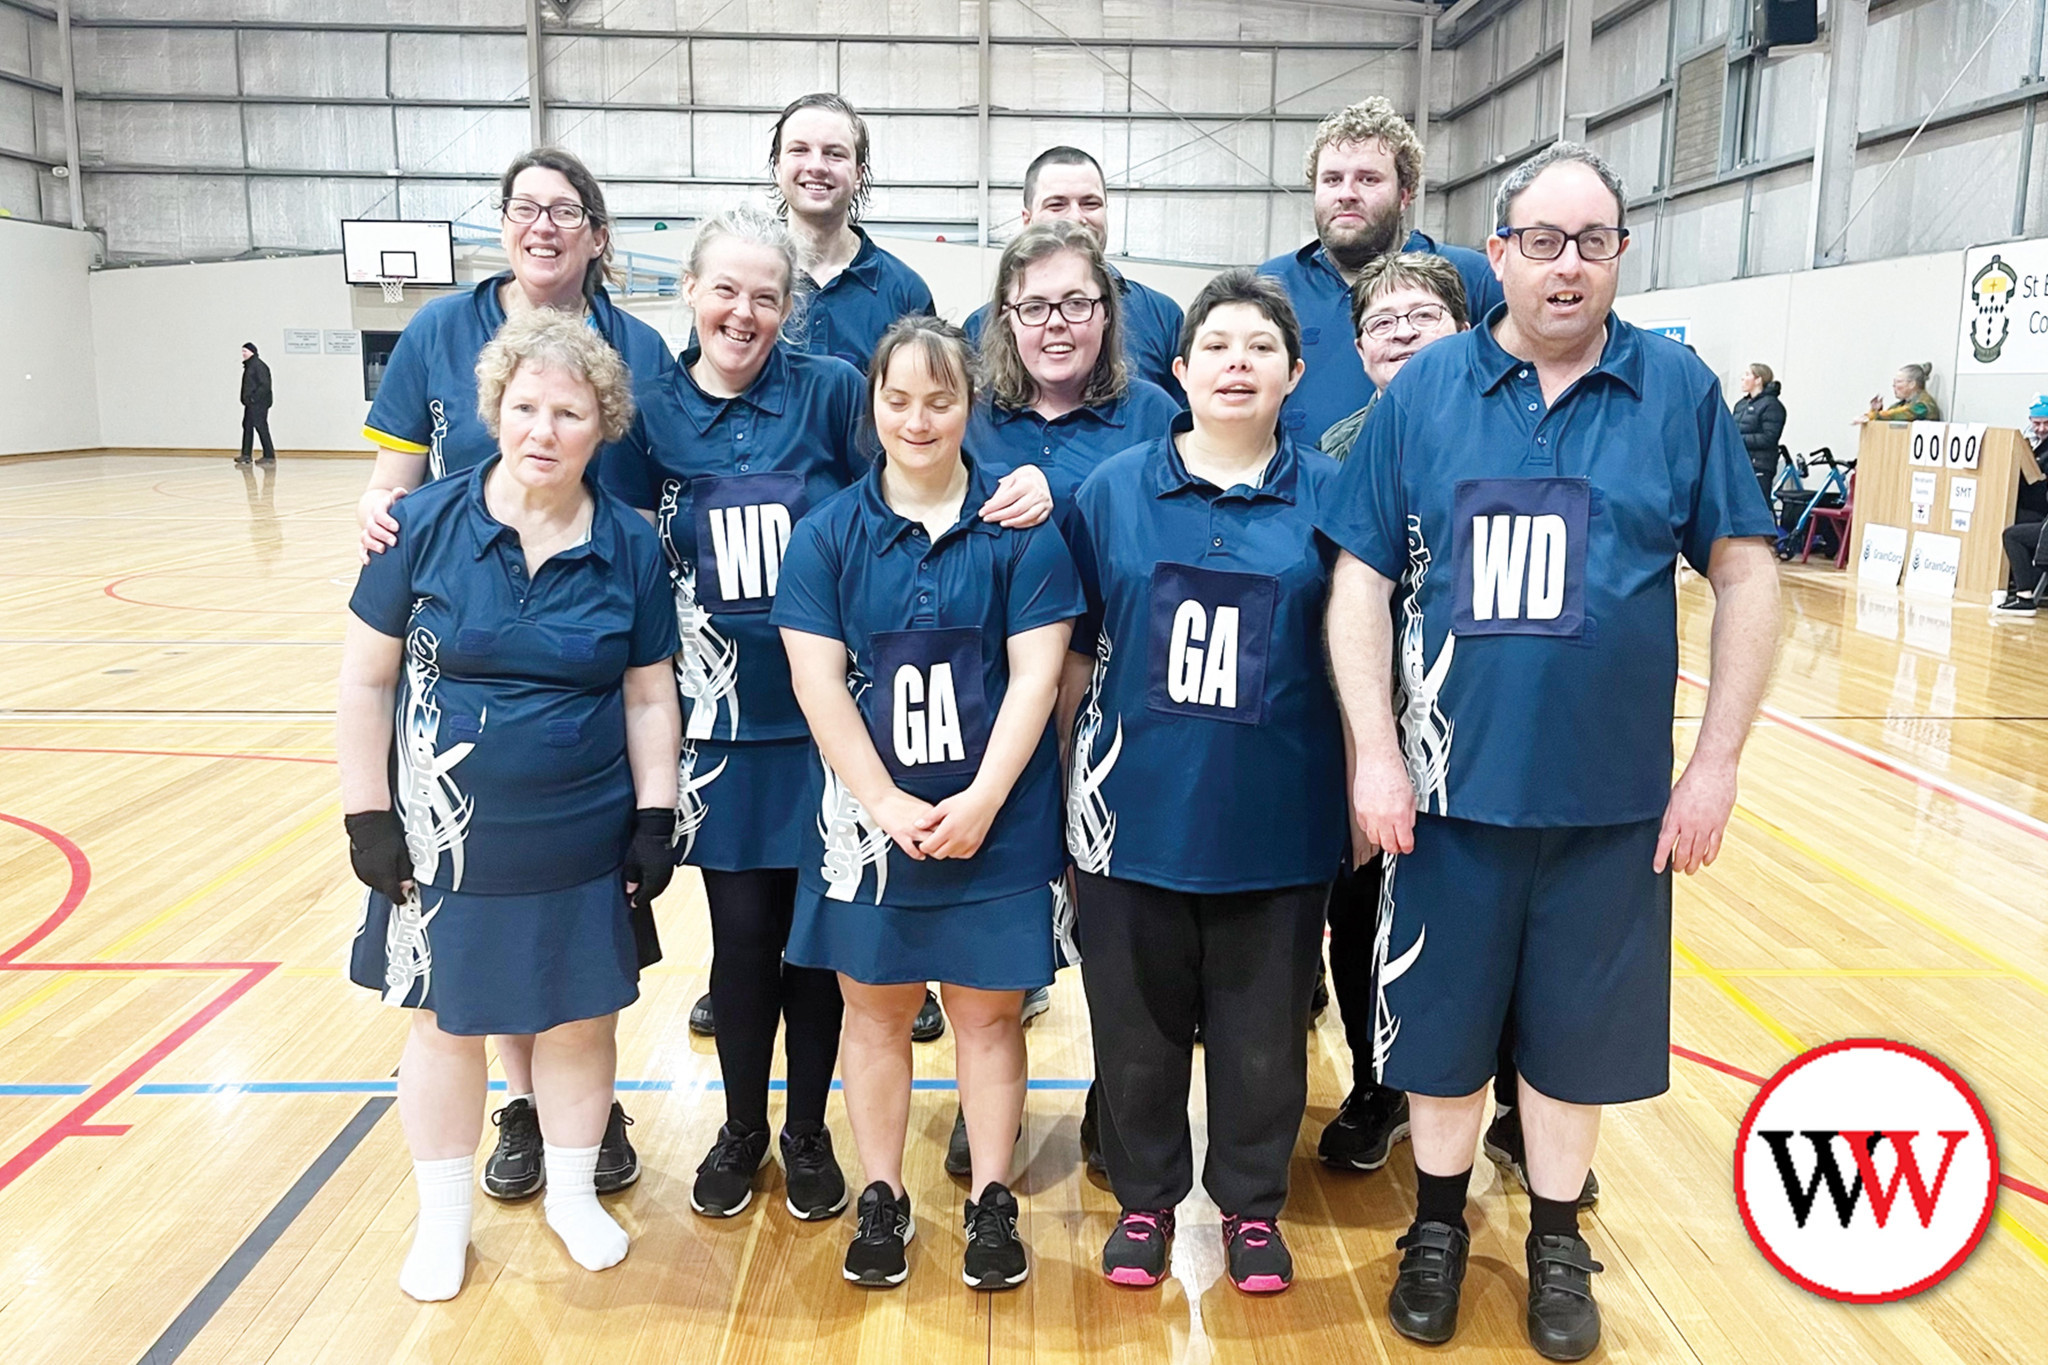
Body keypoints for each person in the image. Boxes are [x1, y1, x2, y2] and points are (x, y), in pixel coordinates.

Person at [1321, 144, 1779, 1361]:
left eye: (1592, 242)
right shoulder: (1422, 394)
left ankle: (1557, 1240)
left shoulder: (1676, 392)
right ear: (1497, 252)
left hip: (1609, 802)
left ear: (1620, 252)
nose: (1565, 266)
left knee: (1572, 1044)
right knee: (1439, 1035)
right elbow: (1358, 580)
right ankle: (1434, 1227)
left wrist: (1715, 764)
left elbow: (1744, 571)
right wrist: (1373, 751)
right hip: (1444, 796)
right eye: (1541, 241)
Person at [337, 309, 682, 1301]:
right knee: (446, 1025)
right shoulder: (420, 525)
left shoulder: (628, 546)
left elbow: (648, 692)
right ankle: (442, 1223)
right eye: (524, 406)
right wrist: (367, 815)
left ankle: (574, 1196)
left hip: (582, 837)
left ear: (601, 424)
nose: (542, 429)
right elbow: (365, 681)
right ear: (495, 410)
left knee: (579, 1023)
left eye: (567, 412)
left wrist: (655, 815)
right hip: (444, 843)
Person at [775, 315, 1083, 1291]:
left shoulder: (1016, 527)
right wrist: (879, 802)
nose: (918, 418)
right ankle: (881, 1196)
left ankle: (991, 1201)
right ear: (872, 406)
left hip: (995, 825)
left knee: (988, 1021)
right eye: (898, 399)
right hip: (871, 831)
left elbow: (1038, 676)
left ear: (967, 405)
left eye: (939, 398)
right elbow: (817, 681)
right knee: (873, 1018)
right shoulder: (827, 533)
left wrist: (984, 801)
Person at [1063, 269, 1345, 1297]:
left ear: (1293, 372)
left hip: (1275, 820)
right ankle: (1143, 1201)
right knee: (1133, 1032)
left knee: (1262, 1038)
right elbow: (1077, 655)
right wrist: (1065, 796)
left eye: (1259, 347)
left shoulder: (1330, 497)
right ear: (1177, 370)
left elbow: (1356, 651)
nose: (1236, 362)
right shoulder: (1109, 492)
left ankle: (1250, 1211)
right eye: (1215, 346)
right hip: (1130, 817)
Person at [1314, 252, 1604, 1209]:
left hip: (1499, 732)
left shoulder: (1521, 428)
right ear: (1358, 351)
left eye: (1422, 315)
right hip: (1375, 727)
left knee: (1512, 931)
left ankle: (1526, 1107)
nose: (1401, 330)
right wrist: (1365, 743)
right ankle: (1378, 1081)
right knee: (1368, 919)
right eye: (1382, 320)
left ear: (1465, 327)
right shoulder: (1338, 451)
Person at [948, 217, 1181, 1180]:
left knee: (1110, 926)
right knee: (995, 917)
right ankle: (986, 1106)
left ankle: (1115, 1103)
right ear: (1005, 316)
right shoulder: (973, 412)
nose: (1057, 324)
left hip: (1114, 703)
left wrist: (1065, 501)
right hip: (985, 706)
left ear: (1107, 313)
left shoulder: (1156, 413)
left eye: (1077, 304)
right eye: (1035, 305)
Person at [1259, 97, 1503, 447]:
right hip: (1301, 495)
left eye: (1368, 179)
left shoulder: (1471, 276)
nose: (1347, 194)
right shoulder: (1272, 284)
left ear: (1405, 195)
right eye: (1332, 179)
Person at [962, 147, 1187, 401]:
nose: (1076, 217)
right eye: (1057, 205)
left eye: (1090, 204)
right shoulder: (980, 327)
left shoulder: (1162, 316)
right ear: (1027, 219)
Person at [770, 92, 936, 371]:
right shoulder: (743, 281)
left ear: (859, 174)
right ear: (777, 167)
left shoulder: (905, 292)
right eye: (799, 150)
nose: (816, 166)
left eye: (834, 154)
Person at [1994, 395, 2048, 614]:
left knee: (2012, 533)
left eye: (2046, 423)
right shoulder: (2033, 444)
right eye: (2037, 424)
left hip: (2040, 515)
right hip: (2037, 513)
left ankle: (2024, 594)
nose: (2042, 429)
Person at [1731, 363, 1787, 503]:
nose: (1743, 378)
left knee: (1757, 505)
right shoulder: (1740, 405)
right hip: (1738, 463)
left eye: (1747, 374)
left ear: (1758, 380)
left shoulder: (1772, 405)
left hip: (1759, 465)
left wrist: (1737, 440)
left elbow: (1769, 437)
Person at [1856, 362, 1940, 423]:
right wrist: (1875, 411)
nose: (1894, 386)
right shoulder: (1901, 404)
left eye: (1899, 382)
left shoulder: (1923, 406)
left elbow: (1900, 414)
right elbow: (1890, 413)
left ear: (1912, 384)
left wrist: (1874, 416)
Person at [237, 342, 275, 466]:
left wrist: (253, 398)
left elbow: (265, 385)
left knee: (261, 427)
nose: (243, 354)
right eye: (242, 351)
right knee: (247, 426)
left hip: (259, 403)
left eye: (245, 351)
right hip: (251, 403)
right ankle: (246, 454)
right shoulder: (250, 366)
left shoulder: (258, 366)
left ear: (252, 352)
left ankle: (269, 455)